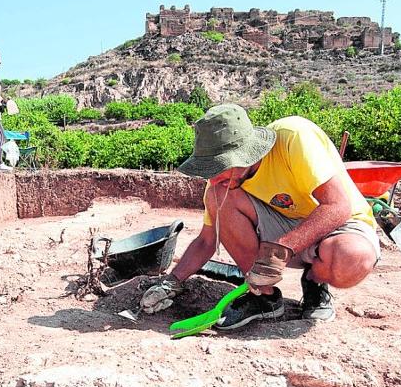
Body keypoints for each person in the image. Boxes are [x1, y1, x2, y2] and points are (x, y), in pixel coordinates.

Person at [140, 103, 380, 330]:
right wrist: (171, 282)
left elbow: (337, 206)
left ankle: (314, 282)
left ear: (244, 154)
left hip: (339, 225)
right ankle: (263, 297)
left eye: (219, 167)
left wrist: (281, 249)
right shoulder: (221, 182)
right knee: (216, 196)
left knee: (352, 256)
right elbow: (206, 241)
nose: (213, 179)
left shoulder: (293, 137)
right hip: (285, 232)